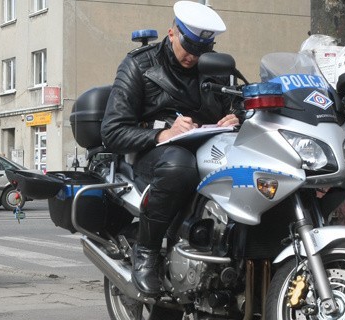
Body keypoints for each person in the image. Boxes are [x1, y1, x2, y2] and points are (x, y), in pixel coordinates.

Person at [100, 1, 240, 297]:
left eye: (201, 48)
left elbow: (237, 103)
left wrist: (236, 117)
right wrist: (162, 133)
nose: (193, 55)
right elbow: (112, 131)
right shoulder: (138, 65)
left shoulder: (215, 67)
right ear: (172, 32)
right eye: (188, 45)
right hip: (153, 154)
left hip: (210, 149)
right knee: (179, 165)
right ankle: (146, 252)